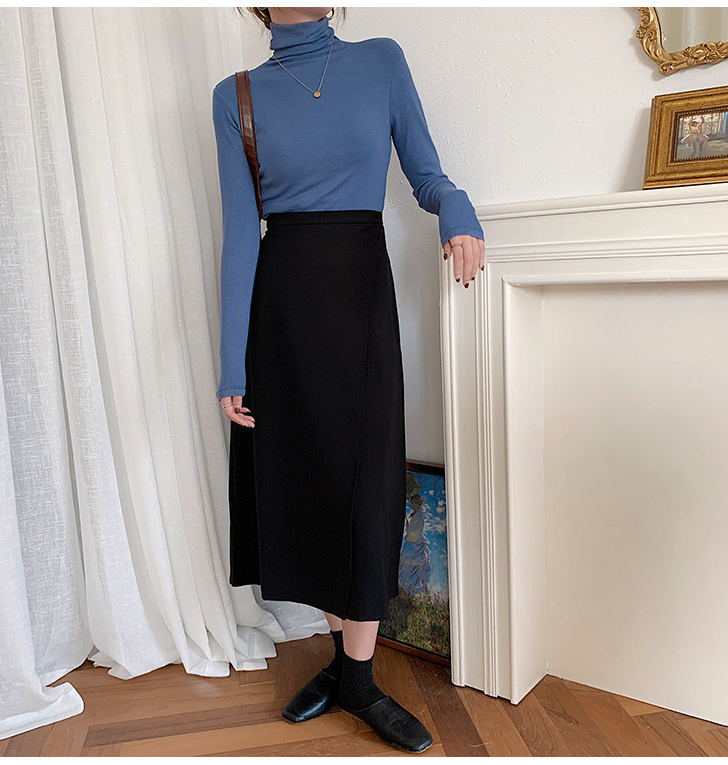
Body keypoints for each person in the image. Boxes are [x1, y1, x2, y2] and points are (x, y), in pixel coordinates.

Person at [212, 6, 484, 753]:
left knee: (364, 486)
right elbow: (240, 233)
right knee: (312, 488)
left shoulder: (381, 60)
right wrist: (232, 362)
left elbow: (427, 176)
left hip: (360, 297)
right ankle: (348, 670)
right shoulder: (236, 95)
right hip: (282, 314)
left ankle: (356, 680)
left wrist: (458, 212)